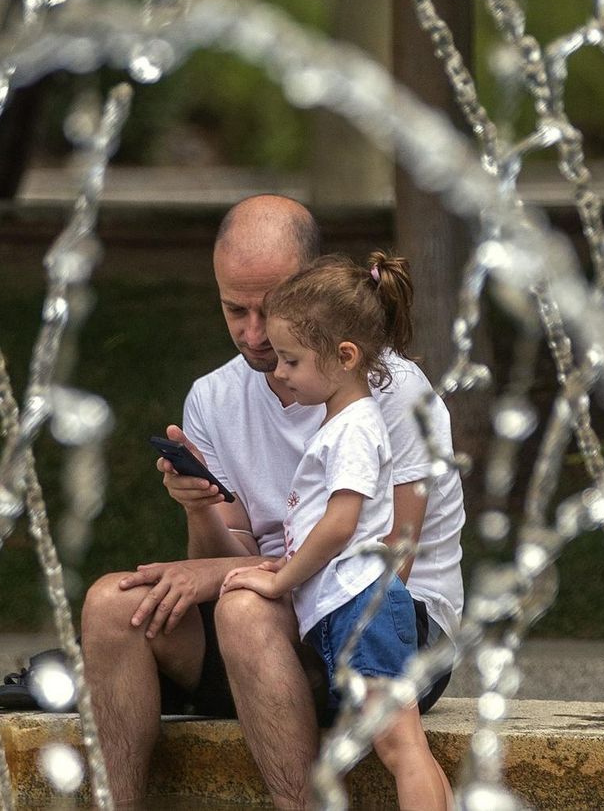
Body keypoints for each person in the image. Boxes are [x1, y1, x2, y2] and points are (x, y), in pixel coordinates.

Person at [77, 194, 464, 808]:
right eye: (234, 309)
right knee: (108, 605)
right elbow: (219, 557)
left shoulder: (389, 392)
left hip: (387, 622)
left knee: (241, 611)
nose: (254, 335)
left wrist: (236, 577)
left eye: (272, 308)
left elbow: (394, 558)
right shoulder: (211, 399)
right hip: (276, 625)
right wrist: (200, 506)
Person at [220, 250, 452, 808]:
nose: (278, 372)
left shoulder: (352, 428)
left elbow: (340, 525)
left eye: (291, 361)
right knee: (405, 743)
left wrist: (279, 582)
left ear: (345, 357)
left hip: (361, 608)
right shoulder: (343, 421)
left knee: (401, 748)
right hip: (356, 607)